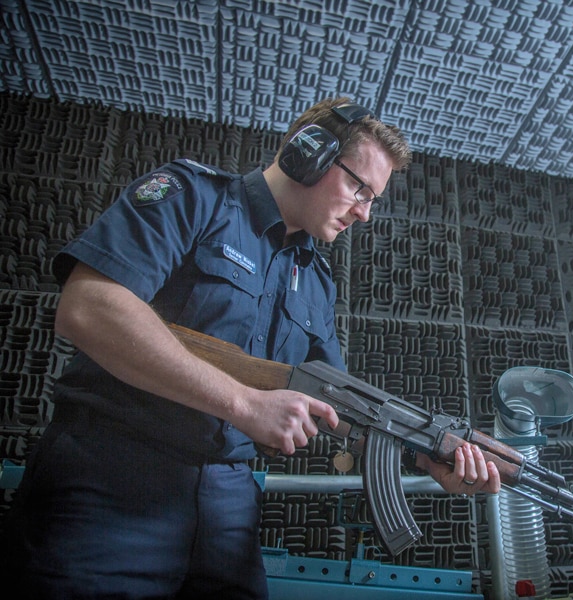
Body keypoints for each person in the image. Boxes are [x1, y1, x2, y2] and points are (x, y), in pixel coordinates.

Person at [0, 97, 500, 599]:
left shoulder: (317, 280)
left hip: (229, 501)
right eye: (359, 188)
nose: (364, 213)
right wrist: (243, 403)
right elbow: (89, 306)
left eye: (374, 199)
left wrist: (425, 453)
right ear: (309, 154)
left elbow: (342, 409)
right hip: (111, 474)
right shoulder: (194, 196)